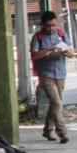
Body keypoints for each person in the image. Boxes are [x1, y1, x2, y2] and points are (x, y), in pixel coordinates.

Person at [30, 10, 74, 144]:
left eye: (53, 25)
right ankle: (62, 133)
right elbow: (35, 56)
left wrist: (66, 53)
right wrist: (48, 50)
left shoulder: (61, 34)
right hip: (45, 74)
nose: (51, 28)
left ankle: (47, 130)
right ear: (43, 25)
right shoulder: (38, 37)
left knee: (55, 104)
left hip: (60, 73)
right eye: (49, 26)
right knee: (56, 102)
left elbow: (72, 51)